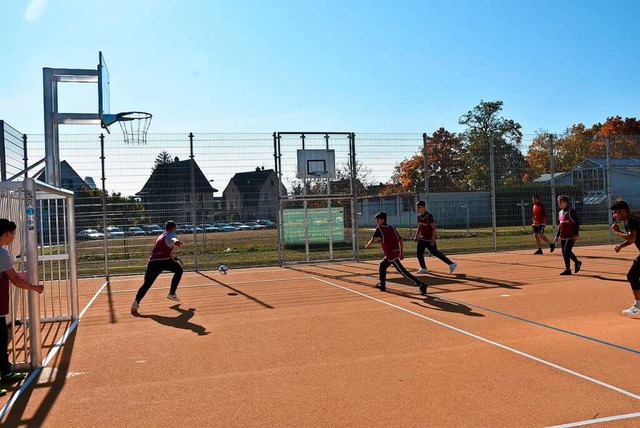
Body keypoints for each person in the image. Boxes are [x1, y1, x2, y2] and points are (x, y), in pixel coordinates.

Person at [0, 219, 44, 394]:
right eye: (13, 233)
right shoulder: (2, 253)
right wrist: (35, 287)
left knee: (2, 339)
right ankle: (6, 372)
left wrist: (19, 275)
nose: (14, 237)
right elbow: (15, 280)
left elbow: (10, 275)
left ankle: (6, 372)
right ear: (6, 233)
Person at [365, 211, 427, 295]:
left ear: (383, 219)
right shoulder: (392, 227)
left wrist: (368, 245)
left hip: (391, 254)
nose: (377, 221)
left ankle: (421, 284)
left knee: (403, 272)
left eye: (378, 219)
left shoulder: (379, 228)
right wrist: (401, 252)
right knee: (382, 265)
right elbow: (400, 240)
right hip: (393, 253)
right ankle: (382, 285)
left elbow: (372, 240)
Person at [131, 221, 184, 315]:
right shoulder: (172, 234)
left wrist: (176, 258)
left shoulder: (161, 236)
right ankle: (172, 293)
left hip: (152, 262)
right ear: (172, 228)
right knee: (179, 270)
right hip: (164, 261)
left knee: (146, 284)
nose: (175, 230)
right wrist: (176, 241)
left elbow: (165, 250)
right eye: (175, 228)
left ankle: (136, 302)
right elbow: (173, 238)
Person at [610, 200, 640, 316]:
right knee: (635, 273)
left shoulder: (630, 221)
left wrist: (617, 232)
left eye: (615, 212)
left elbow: (631, 238)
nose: (614, 215)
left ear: (623, 211)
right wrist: (621, 246)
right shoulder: (632, 219)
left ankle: (638, 306)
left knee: (632, 275)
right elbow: (634, 238)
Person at [413, 200, 457, 274]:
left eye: (419, 207)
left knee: (435, 252)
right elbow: (419, 226)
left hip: (429, 238)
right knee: (419, 253)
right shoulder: (419, 216)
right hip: (422, 238)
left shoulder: (429, 216)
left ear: (423, 207)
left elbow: (434, 227)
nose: (418, 208)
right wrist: (417, 236)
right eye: (417, 207)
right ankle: (423, 268)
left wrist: (433, 239)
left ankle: (451, 264)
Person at [554, 195, 582, 275]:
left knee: (567, 250)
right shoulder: (560, 212)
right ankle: (568, 269)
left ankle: (577, 262)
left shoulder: (571, 211)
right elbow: (560, 225)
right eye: (559, 202)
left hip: (571, 235)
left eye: (561, 202)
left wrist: (576, 234)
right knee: (564, 252)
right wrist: (557, 235)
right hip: (563, 235)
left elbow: (577, 223)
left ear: (566, 202)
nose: (560, 203)